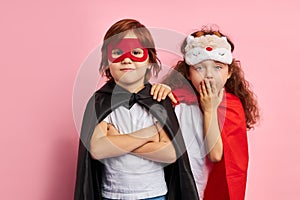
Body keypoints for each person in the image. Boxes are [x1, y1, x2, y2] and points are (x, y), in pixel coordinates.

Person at [74, 19, 199, 200]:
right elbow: (98, 149)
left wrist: (115, 141)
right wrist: (150, 134)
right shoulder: (100, 102)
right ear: (107, 61)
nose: (126, 59)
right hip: (112, 195)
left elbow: (170, 154)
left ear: (150, 59)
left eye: (136, 52)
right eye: (117, 52)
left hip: (154, 194)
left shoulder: (158, 99)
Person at [159, 26, 260, 200]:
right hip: (178, 186)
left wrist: (209, 109)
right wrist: (157, 93)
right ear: (188, 74)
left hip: (209, 189)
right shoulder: (177, 100)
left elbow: (215, 155)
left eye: (218, 67)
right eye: (199, 68)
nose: (209, 76)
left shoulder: (232, 106)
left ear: (229, 73)